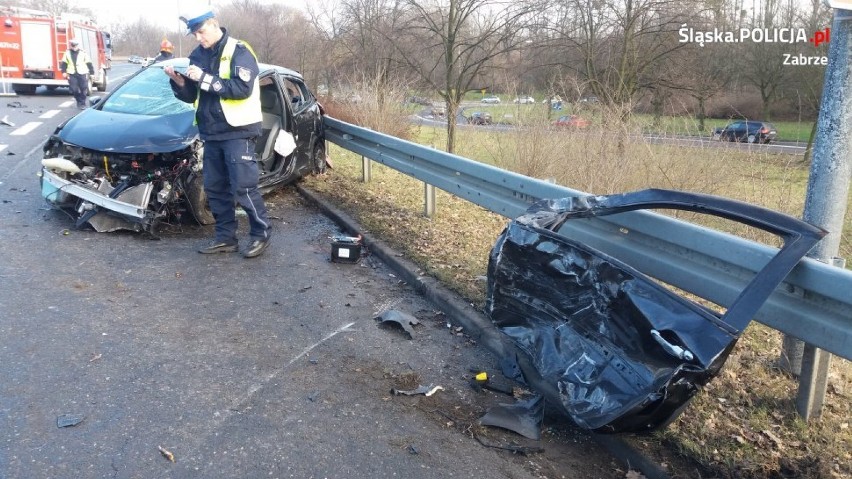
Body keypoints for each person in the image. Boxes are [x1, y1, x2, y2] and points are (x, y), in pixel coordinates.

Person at [164, 5, 271, 258]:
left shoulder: (240, 50)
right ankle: (226, 239)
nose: (199, 38)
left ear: (214, 24)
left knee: (243, 188)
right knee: (215, 189)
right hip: (211, 133)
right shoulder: (197, 55)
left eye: (201, 32)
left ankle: (261, 235)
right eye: (195, 34)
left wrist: (203, 78)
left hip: (238, 131)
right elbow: (192, 95)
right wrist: (179, 82)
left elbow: (241, 88)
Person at [60, 38, 94, 110]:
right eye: (72, 45)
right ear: (71, 45)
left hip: (82, 73)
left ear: (78, 45)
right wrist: (63, 72)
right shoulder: (67, 53)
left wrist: (92, 73)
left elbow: (89, 63)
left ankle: (82, 103)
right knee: (74, 89)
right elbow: (64, 64)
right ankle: (78, 100)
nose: (74, 47)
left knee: (83, 88)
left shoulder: (83, 53)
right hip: (72, 73)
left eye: (75, 45)